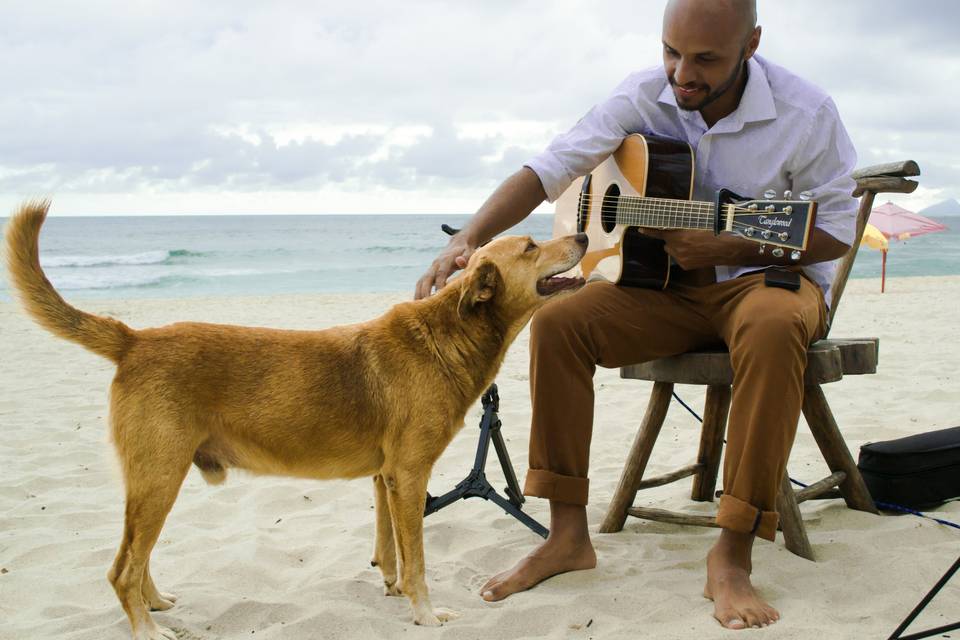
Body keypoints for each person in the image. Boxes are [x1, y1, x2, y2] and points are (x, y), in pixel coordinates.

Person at [414, 0, 858, 630]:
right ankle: (568, 534)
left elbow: (836, 228)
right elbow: (551, 170)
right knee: (560, 322)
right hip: (662, 288)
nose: (683, 74)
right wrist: (469, 237)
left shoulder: (805, 113)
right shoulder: (644, 93)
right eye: (671, 52)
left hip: (765, 280)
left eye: (706, 59)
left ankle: (731, 555)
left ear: (751, 44)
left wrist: (731, 245)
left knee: (771, 327)